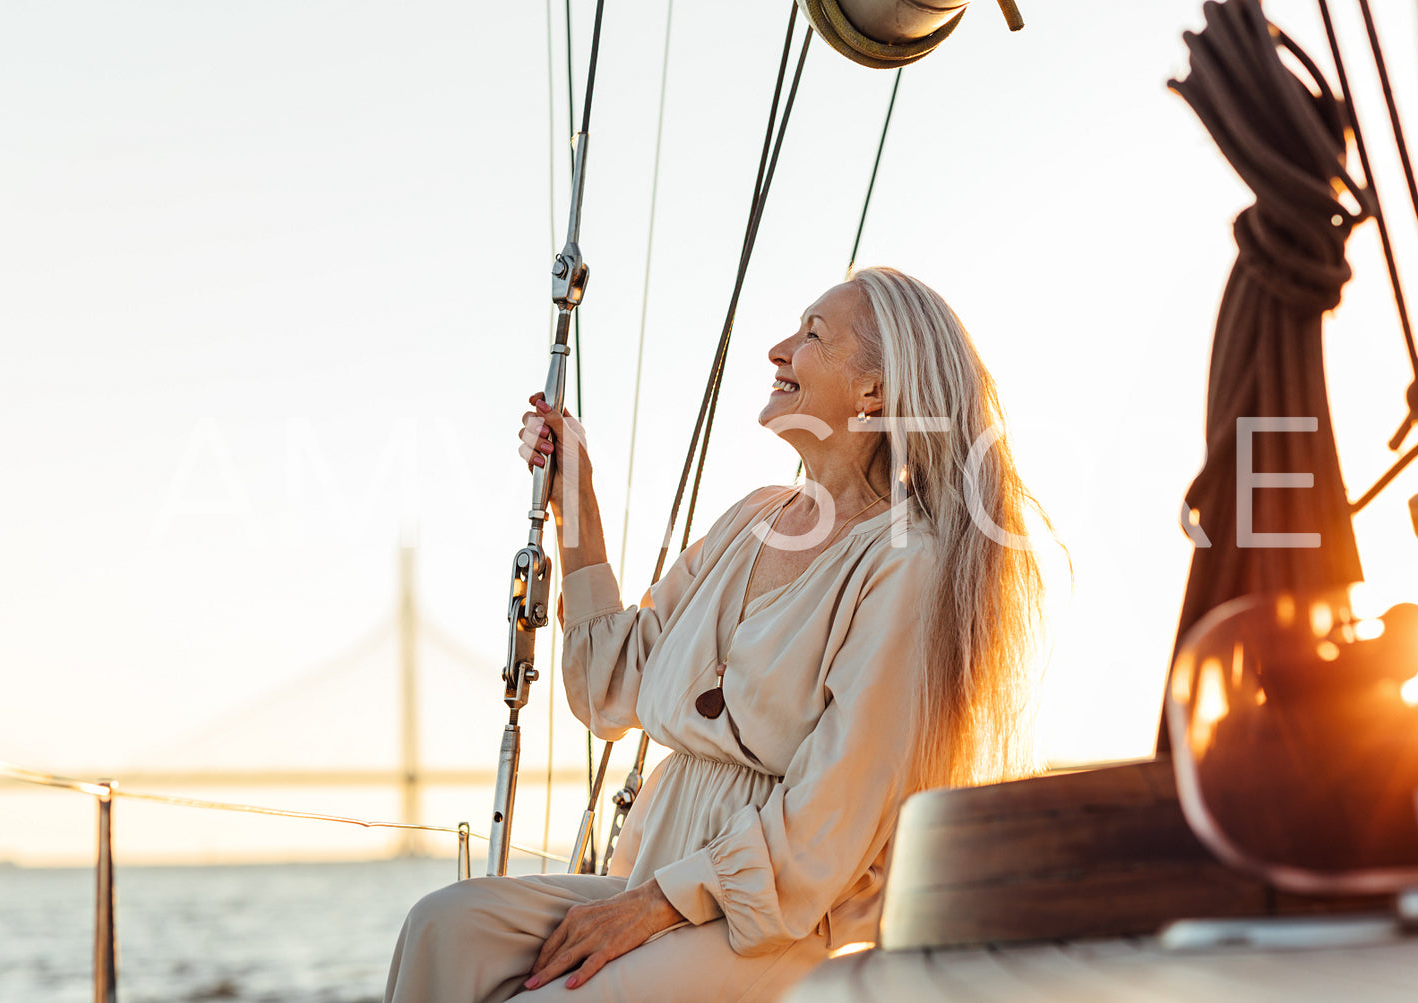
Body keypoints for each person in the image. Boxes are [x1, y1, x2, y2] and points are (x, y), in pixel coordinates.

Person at [384, 266, 1048, 1002]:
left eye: (811, 335)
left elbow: (831, 819)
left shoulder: (907, 563)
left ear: (873, 392)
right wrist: (578, 492)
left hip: (779, 914)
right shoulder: (751, 517)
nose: (777, 349)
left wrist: (653, 904)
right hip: (660, 873)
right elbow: (614, 682)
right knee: (441, 925)